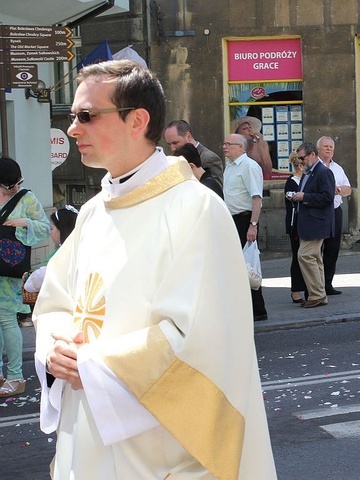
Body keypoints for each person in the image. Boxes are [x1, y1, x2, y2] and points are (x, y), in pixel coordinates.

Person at [34, 60, 276, 479]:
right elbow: (54, 302)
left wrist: (92, 364)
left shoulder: (195, 210)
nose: (73, 128)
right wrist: (54, 349)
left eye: (86, 116)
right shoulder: (93, 213)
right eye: (73, 116)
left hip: (161, 458)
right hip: (86, 440)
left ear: (137, 120)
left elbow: (201, 342)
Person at [0, 158, 49, 397]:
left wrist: (24, 222)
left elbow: (45, 227)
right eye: (10, 186)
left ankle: (16, 376)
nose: (16, 188)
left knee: (8, 320)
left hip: (9, 270)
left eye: (19, 182)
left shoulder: (27, 198)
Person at [223, 133, 268, 321]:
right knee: (236, 266)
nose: (224, 146)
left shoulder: (248, 166)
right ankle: (244, 307)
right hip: (232, 220)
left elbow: (256, 198)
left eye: (229, 144)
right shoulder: (229, 167)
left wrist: (253, 225)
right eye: (224, 143)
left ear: (240, 147)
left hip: (245, 219)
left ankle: (258, 310)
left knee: (248, 266)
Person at [290, 142, 335, 308]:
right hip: (309, 223)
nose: (300, 161)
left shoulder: (323, 172)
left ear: (313, 155)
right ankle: (319, 294)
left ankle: (316, 294)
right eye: (299, 158)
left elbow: (327, 197)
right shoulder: (309, 173)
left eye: (303, 158)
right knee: (315, 258)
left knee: (305, 255)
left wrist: (304, 197)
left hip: (318, 223)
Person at [317, 136, 352, 296]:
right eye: (325, 146)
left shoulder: (338, 168)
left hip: (335, 210)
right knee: (317, 248)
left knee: (333, 248)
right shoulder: (314, 166)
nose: (329, 149)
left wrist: (339, 190)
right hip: (319, 212)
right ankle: (315, 285)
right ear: (318, 149)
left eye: (331, 147)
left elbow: (348, 189)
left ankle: (327, 284)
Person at [23, 206, 79, 294]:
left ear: (62, 230)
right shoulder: (80, 249)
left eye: (52, 228)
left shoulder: (66, 255)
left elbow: (29, 286)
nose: (50, 232)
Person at [163, 119, 224, 187]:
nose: (172, 148)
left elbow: (216, 191)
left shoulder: (209, 158)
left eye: (175, 143)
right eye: (169, 144)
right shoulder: (174, 158)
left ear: (188, 136)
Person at [284, 152, 306, 304]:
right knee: (297, 257)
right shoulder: (292, 181)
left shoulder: (308, 179)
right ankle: (296, 290)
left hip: (308, 223)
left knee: (309, 257)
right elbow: (293, 198)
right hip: (296, 224)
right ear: (299, 165)